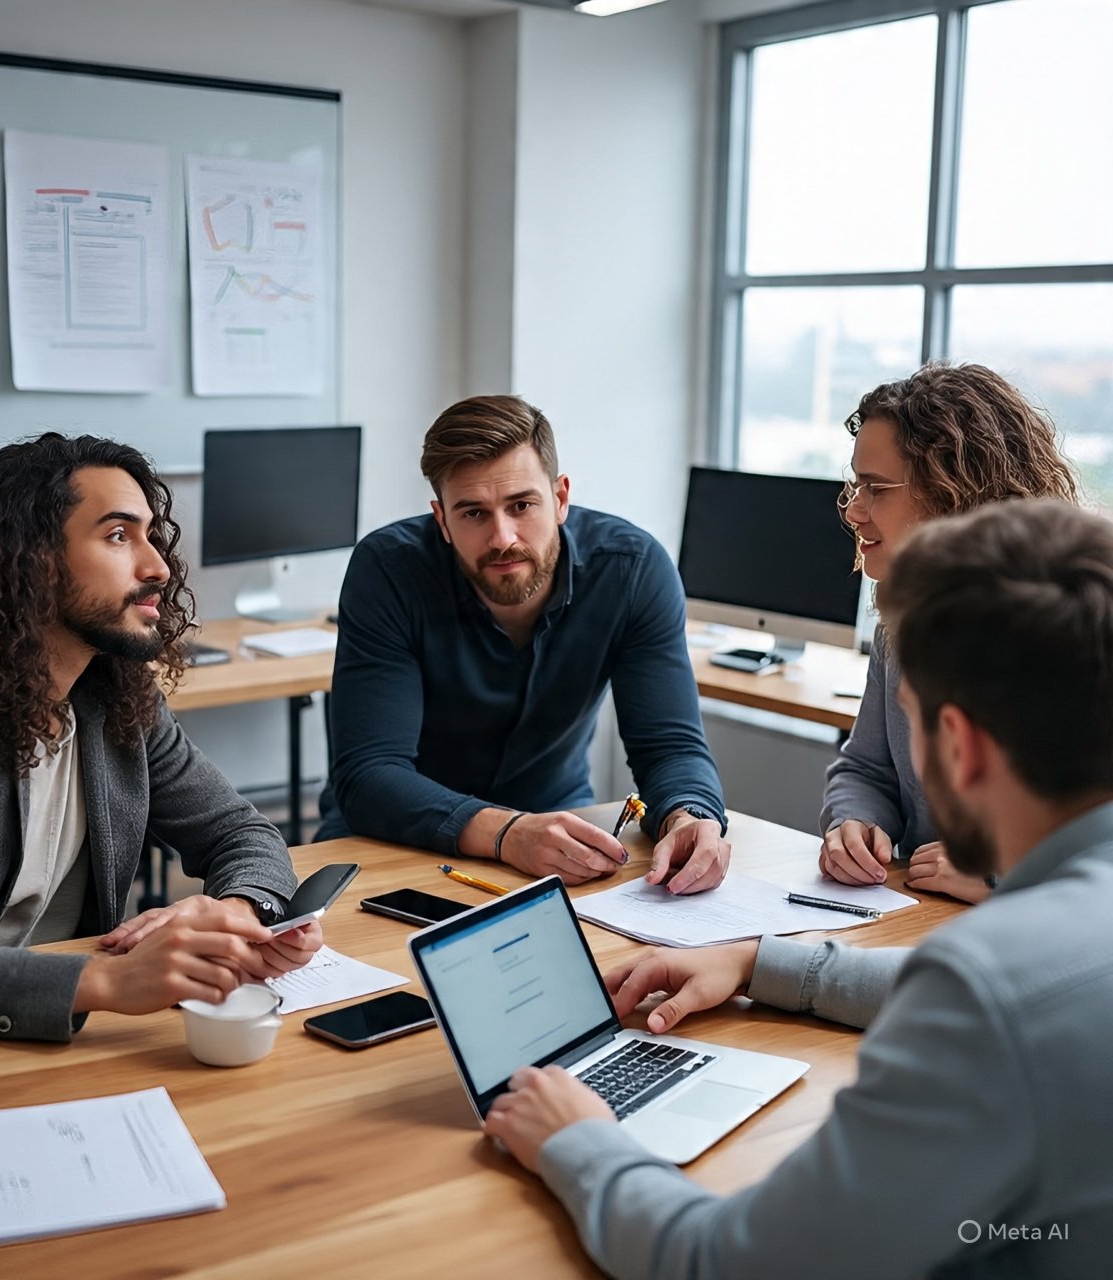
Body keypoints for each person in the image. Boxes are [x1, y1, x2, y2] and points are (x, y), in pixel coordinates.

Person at [484, 498, 1113, 1278]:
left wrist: (577, 1138)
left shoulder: (990, 989)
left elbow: (720, 1264)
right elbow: (1017, 1006)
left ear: (960, 745)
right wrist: (759, 961)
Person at [0, 433, 321, 1042]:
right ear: (31, 558)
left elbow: (240, 832)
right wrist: (110, 981)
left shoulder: (113, 695)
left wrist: (236, 915)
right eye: (119, 536)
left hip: (73, 1037)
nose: (158, 567)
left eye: (149, 534)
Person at [317, 394, 728, 893]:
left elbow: (669, 746)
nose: (502, 537)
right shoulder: (389, 570)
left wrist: (686, 818)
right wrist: (507, 832)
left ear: (560, 498)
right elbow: (368, 776)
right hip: (396, 835)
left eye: (521, 505)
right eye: (473, 513)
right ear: (441, 519)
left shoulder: (632, 570)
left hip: (559, 833)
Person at [821, 362, 1078, 903]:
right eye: (854, 485)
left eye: (876, 489)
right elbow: (865, 767)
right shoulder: (903, 624)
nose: (854, 511)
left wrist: (998, 878)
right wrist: (854, 823)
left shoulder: (1068, 636)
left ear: (951, 492)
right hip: (913, 915)